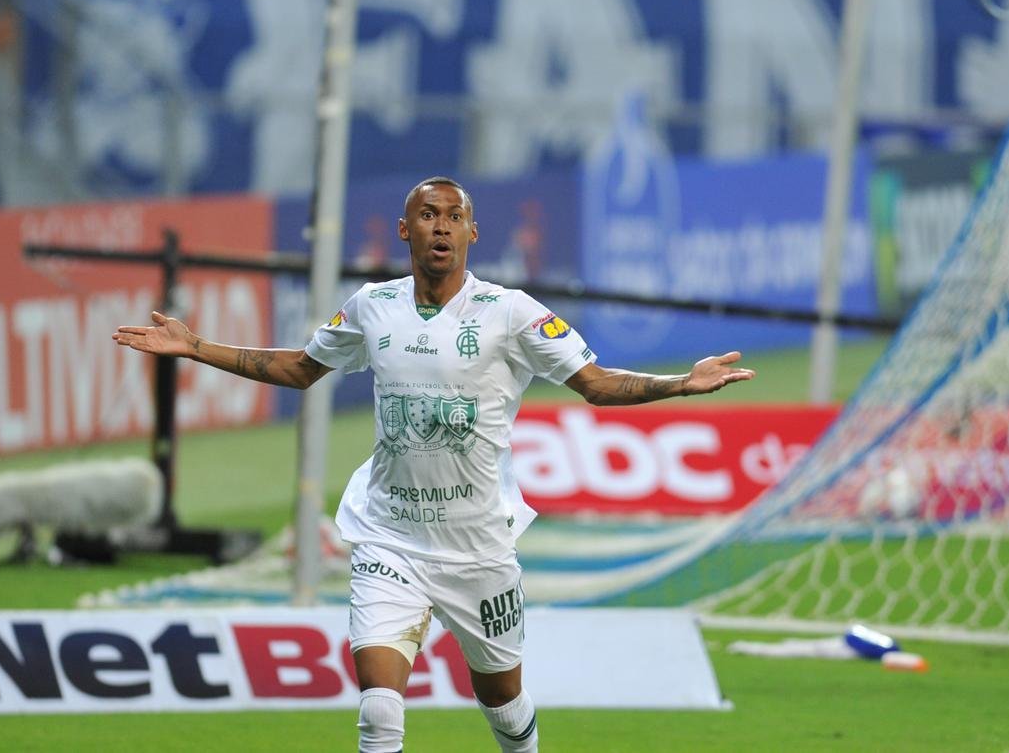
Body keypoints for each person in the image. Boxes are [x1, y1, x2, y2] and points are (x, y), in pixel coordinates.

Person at [113, 176, 755, 752]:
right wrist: (196, 346)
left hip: (478, 546)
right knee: (379, 711)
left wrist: (679, 382)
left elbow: (595, 384)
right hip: (389, 534)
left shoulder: (511, 313)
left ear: (472, 232)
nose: (440, 226)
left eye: (453, 215)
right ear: (405, 230)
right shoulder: (372, 306)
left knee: (503, 705)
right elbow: (298, 369)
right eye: (427, 214)